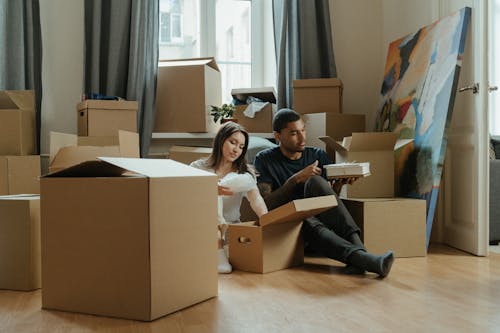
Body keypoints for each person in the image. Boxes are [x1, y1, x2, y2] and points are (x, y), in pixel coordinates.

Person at [254, 108, 394, 278]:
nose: (302, 137)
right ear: (277, 136)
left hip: (323, 226)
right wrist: (295, 180)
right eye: (294, 133)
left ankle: (361, 256)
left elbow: (329, 203)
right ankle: (363, 258)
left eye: (303, 130)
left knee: (316, 181)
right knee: (306, 218)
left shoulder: (317, 155)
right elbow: (266, 205)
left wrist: (340, 184)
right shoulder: (264, 159)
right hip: (293, 228)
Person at [190, 122, 268, 274]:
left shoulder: (244, 175)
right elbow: (183, 197)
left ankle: (219, 249)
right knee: (213, 186)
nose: (236, 150)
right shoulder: (197, 167)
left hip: (232, 229)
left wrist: (267, 221)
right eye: (233, 142)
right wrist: (209, 189)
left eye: (241, 146)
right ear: (221, 140)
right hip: (202, 227)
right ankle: (217, 247)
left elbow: (256, 199)